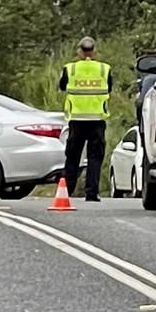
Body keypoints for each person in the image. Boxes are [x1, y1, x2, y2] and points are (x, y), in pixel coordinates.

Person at [59, 36, 112, 202]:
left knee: (73, 156)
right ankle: (91, 193)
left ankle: (66, 190)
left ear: (79, 51)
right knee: (95, 157)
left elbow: (62, 86)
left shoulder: (71, 68)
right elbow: (109, 87)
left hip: (77, 120)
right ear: (94, 50)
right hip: (97, 120)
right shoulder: (104, 68)